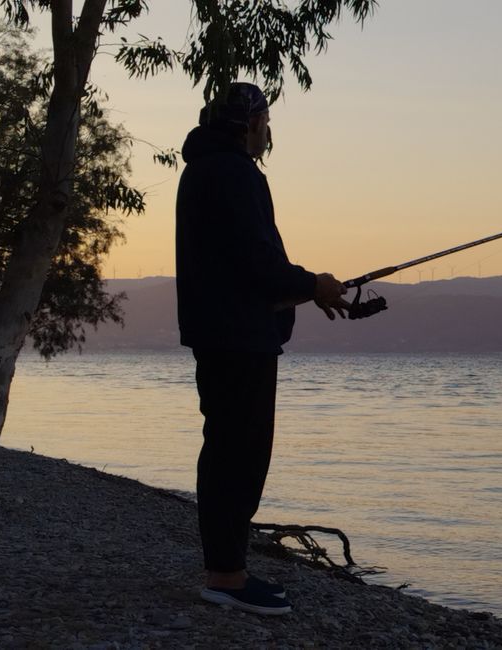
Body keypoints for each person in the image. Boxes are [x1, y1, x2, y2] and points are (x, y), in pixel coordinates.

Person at [175, 82, 349, 616]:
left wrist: (301, 290)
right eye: (265, 121)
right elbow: (257, 262)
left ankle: (227, 572)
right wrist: (313, 283)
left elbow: (236, 264)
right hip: (239, 338)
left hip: (222, 331)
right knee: (240, 456)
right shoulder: (236, 173)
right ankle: (226, 579)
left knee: (226, 450)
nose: (268, 132)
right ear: (250, 124)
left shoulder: (202, 170)